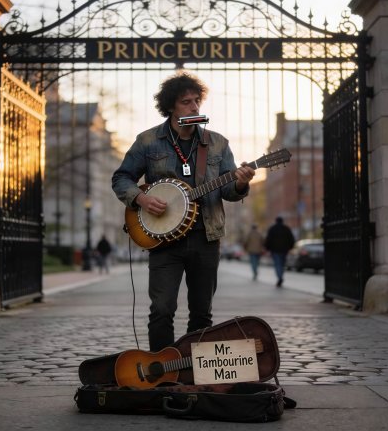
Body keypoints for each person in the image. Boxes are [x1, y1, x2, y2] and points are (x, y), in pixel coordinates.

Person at [111, 71, 255, 352]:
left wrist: (239, 183)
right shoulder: (148, 141)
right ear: (171, 107)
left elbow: (228, 192)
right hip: (163, 239)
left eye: (196, 101)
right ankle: (161, 373)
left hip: (206, 237)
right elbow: (121, 178)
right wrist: (140, 198)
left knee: (202, 313)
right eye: (186, 102)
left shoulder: (217, 143)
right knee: (162, 310)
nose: (194, 107)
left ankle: (192, 373)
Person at [264, 216, 295, 287]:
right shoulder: (286, 228)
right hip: (284, 250)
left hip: (275, 250)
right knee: (282, 264)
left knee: (277, 264)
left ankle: (279, 277)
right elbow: (291, 239)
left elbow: (268, 239)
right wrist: (290, 247)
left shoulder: (272, 229)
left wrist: (267, 248)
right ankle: (280, 276)